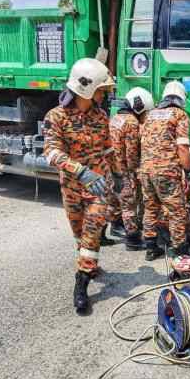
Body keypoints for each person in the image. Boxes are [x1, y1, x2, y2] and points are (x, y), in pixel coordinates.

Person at [42, 58, 118, 314]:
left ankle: (81, 283)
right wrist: (80, 171)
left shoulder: (101, 116)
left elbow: (108, 148)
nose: (104, 94)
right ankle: (89, 262)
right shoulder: (56, 117)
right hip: (73, 187)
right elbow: (51, 153)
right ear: (88, 89)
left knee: (93, 229)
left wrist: (118, 175)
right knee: (79, 234)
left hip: (98, 187)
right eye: (101, 89)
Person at [139, 81, 190, 261]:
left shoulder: (150, 114)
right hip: (167, 171)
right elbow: (183, 148)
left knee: (150, 208)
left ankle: (151, 248)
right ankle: (180, 253)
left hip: (146, 170)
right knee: (177, 211)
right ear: (182, 98)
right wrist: (188, 171)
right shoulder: (179, 115)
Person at [109, 87, 152, 251]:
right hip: (124, 169)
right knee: (129, 203)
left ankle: (114, 225)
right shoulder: (132, 122)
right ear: (140, 106)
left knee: (114, 198)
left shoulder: (115, 118)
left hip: (111, 167)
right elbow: (132, 152)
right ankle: (132, 239)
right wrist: (135, 172)